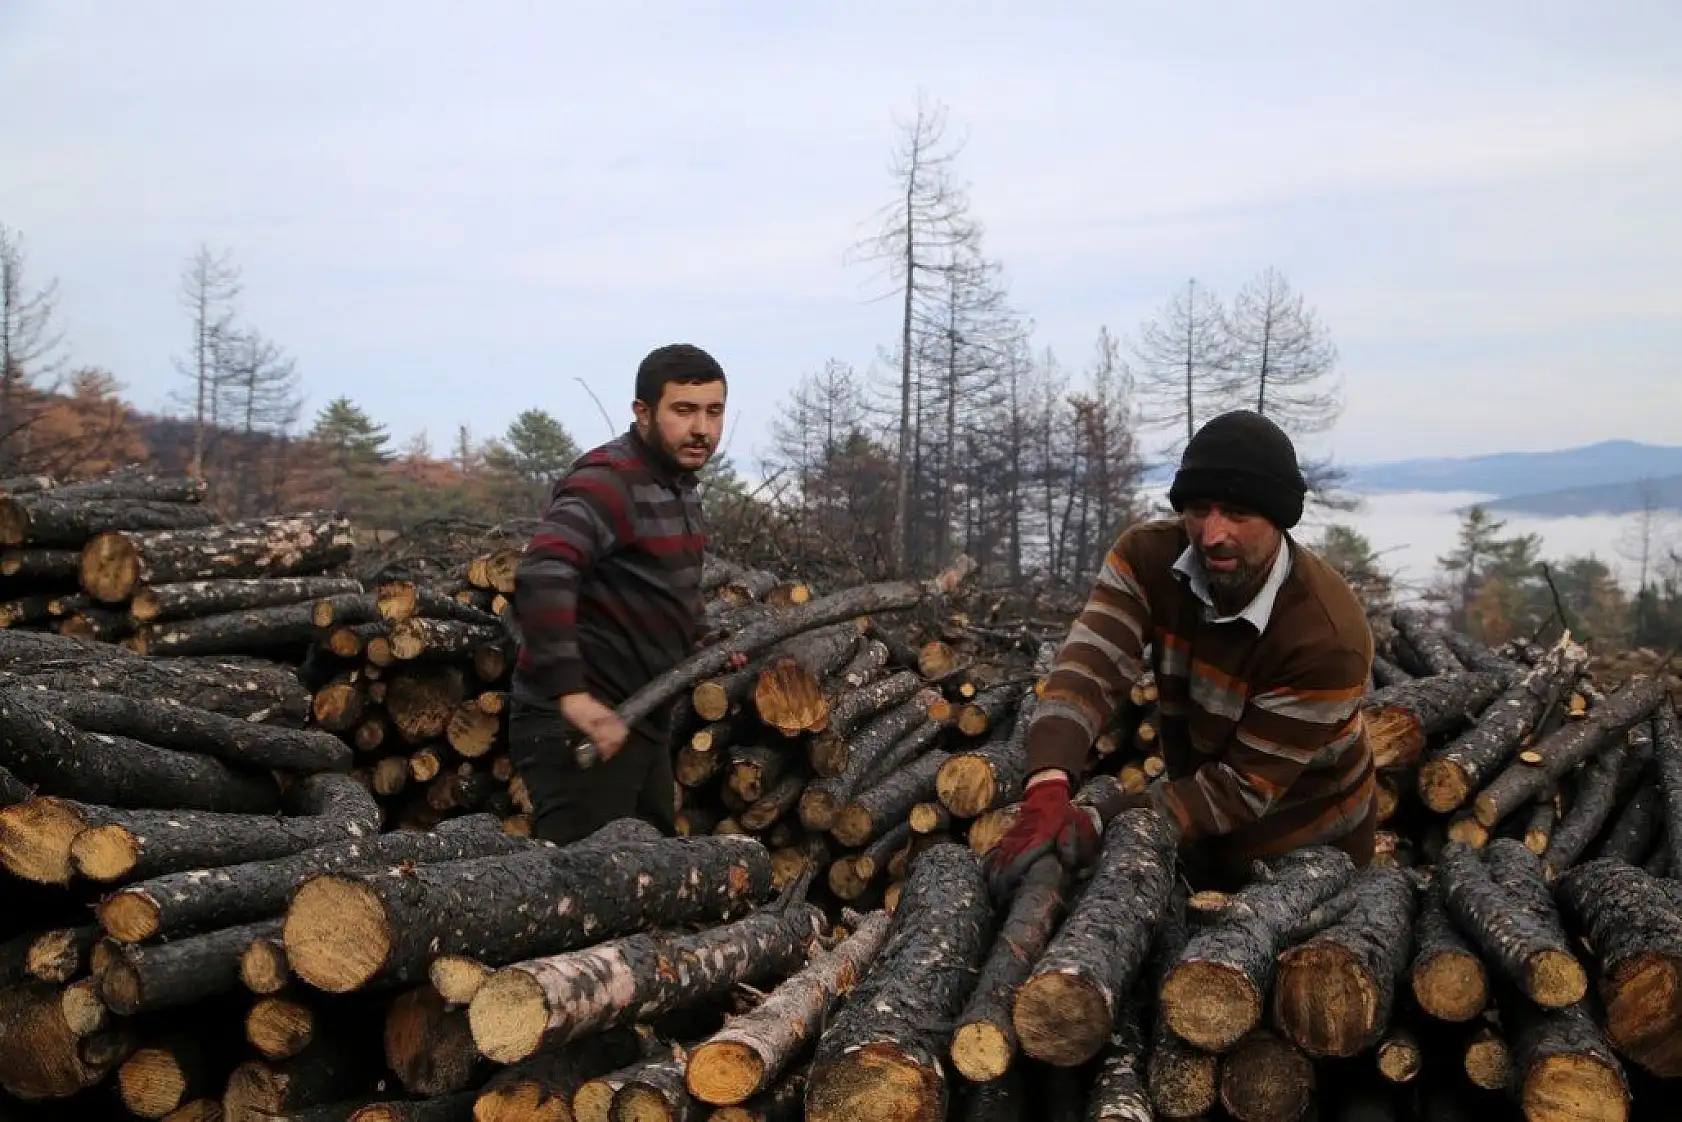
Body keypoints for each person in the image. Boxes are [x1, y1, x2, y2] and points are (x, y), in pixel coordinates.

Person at [985, 410, 1376, 895]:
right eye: (1198, 508)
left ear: (1278, 517)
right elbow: (1088, 667)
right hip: (1198, 826)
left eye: (1237, 514)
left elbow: (1240, 791)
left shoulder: (1326, 637)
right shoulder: (1147, 558)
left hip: (1311, 852)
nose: (1212, 535)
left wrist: (1095, 821)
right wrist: (1047, 786)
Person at [506, 343, 729, 846]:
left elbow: (656, 584)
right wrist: (572, 696)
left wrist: (703, 638)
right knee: (583, 890)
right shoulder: (609, 481)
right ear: (643, 412)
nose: (702, 429)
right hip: (580, 729)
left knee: (648, 877)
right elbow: (544, 571)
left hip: (637, 721)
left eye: (714, 412)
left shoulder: (678, 485)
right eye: (684, 410)